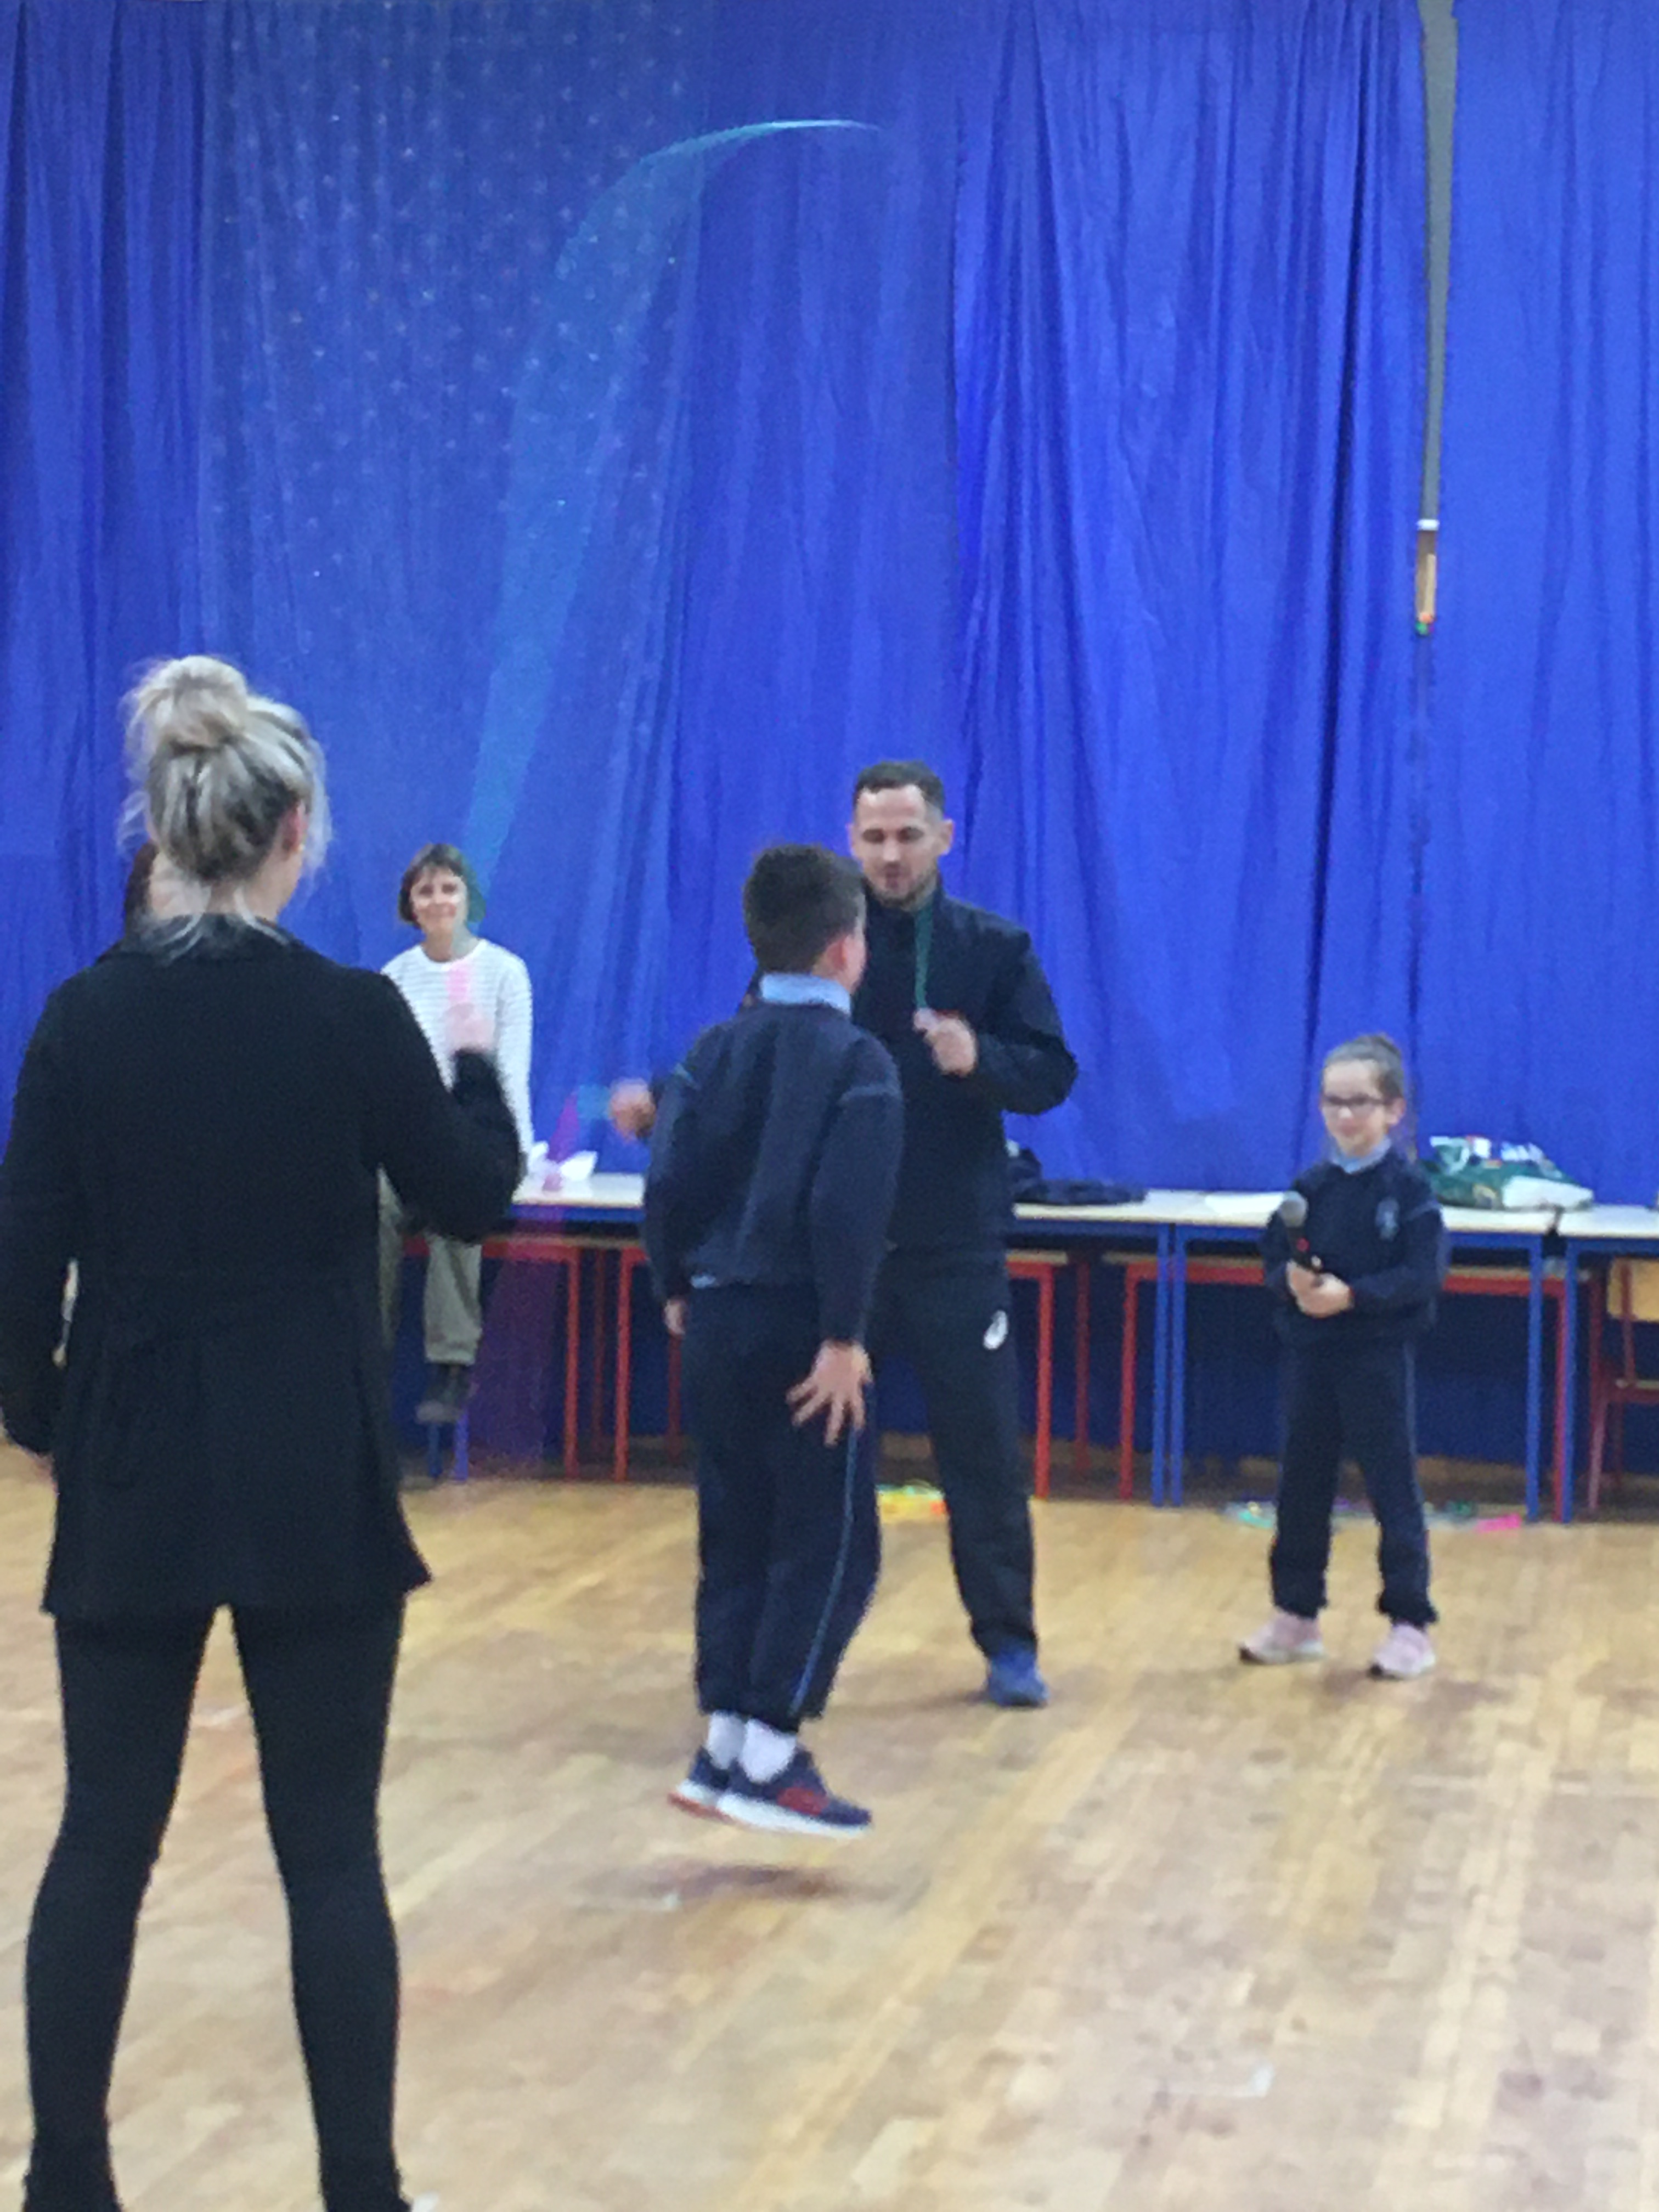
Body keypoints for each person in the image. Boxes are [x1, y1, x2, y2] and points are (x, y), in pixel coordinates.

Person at [0, 655, 521, 2212]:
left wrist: (45, 1414)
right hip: (311, 1463)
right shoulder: (355, 1015)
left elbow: (21, 1260)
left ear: (168, 828)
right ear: (298, 830)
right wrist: (479, 1073)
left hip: (135, 1455)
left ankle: (67, 2181)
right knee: (331, 1852)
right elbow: (470, 1196)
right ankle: (361, 2188)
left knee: (103, 1841)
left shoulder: (82, 1019)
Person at [645, 845, 902, 1838]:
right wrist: (843, 1334)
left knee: (735, 1526)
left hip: (714, 1316)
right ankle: (769, 1751)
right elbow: (847, 1208)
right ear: (846, 950)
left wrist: (674, 1282)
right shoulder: (858, 1061)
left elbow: (669, 1177)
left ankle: (719, 1741)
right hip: (801, 1324)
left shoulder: (712, 1049)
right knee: (831, 1540)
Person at [847, 761, 1077, 1709]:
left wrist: (980, 1056)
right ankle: (805, 1644)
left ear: (943, 837)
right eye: (874, 838)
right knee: (823, 1453)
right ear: (851, 841)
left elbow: (1051, 1072)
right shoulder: (823, 943)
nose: (891, 856)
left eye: (908, 835)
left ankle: (1008, 1643)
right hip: (845, 1247)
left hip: (955, 1243)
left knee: (980, 1453)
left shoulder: (993, 947)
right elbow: (757, 1046)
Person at [1240, 1032, 1447, 1680]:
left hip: (1375, 1357)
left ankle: (1409, 1624)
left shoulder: (1409, 1191)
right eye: (1334, 1102)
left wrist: (1353, 1296)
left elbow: (1421, 1276)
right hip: (1312, 1356)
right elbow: (1276, 1256)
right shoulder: (1311, 1187)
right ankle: (1296, 1614)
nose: (1346, 1115)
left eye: (1361, 1102)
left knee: (1391, 1485)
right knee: (1301, 1483)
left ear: (1394, 1110)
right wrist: (1292, 1283)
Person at [379, 843, 534, 1426]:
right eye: (426, 891)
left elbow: (510, 1072)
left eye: (449, 888)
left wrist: (504, 1147)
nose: (439, 900)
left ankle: (453, 1364)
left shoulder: (506, 972)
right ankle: (370, 1349)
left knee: (457, 1190)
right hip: (412, 1138)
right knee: (370, 1202)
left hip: (482, 1134)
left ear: (468, 898)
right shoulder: (394, 979)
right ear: (411, 906)